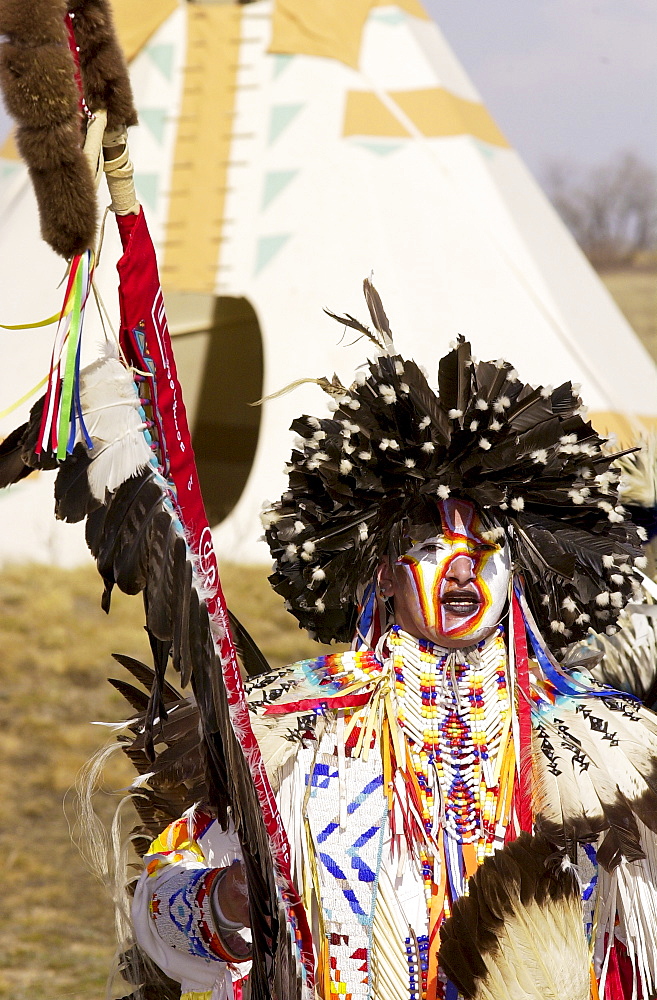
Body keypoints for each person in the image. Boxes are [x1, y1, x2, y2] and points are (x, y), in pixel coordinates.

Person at [126, 289, 657, 1000]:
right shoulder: (291, 728)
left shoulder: (612, 749)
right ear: (382, 572)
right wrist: (224, 899)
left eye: (487, 547)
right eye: (435, 546)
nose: (464, 566)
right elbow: (159, 917)